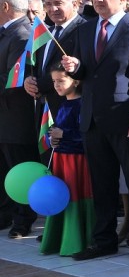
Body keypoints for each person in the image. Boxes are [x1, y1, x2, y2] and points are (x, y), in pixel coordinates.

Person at [61, 0, 129, 261]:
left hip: (126, 117)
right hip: (92, 119)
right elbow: (87, 72)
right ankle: (104, 240)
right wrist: (74, 68)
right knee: (102, 183)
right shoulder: (86, 30)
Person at [38, 68, 95, 257]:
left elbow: (85, 134)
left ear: (76, 82)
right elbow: (58, 130)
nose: (57, 85)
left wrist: (64, 134)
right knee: (63, 196)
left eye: (61, 80)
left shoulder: (82, 104)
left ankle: (80, 239)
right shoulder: (62, 105)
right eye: (54, 81)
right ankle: (59, 236)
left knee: (75, 195)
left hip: (76, 161)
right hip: (61, 160)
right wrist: (54, 138)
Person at [0, 0, 40, 238]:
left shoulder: (23, 34)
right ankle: (6, 215)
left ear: (5, 7)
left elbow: (15, 78)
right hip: (4, 118)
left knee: (20, 169)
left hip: (16, 118)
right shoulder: (7, 32)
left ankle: (23, 220)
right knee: (5, 171)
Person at [24, 0, 85, 117]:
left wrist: (39, 85)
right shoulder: (46, 32)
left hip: (70, 110)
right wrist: (29, 80)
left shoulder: (85, 30)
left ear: (75, 4)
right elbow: (37, 65)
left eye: (58, 3)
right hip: (44, 108)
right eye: (48, 4)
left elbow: (78, 70)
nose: (53, 9)